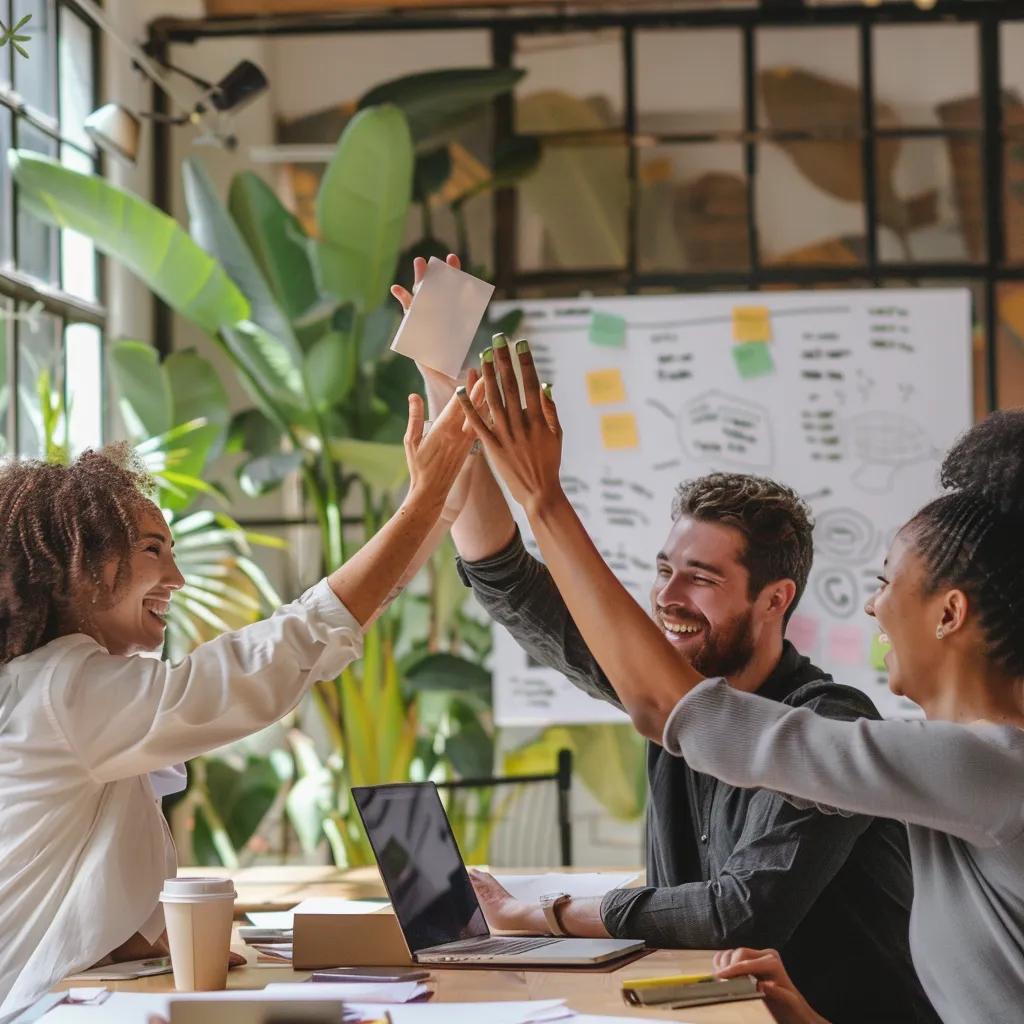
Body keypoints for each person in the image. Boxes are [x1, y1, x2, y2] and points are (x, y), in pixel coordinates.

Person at [401, 298, 935, 1022]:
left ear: (775, 599)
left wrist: (549, 913)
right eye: (664, 569)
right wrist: (446, 387)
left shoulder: (829, 728)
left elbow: (740, 912)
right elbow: (502, 574)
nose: (668, 597)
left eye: (702, 579)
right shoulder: (668, 690)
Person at [0, 387, 475, 1020]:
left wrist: (435, 512)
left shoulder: (64, 692)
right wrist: (422, 504)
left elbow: (66, 888)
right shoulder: (67, 691)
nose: (177, 578)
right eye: (152, 550)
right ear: (82, 565)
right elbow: (263, 666)